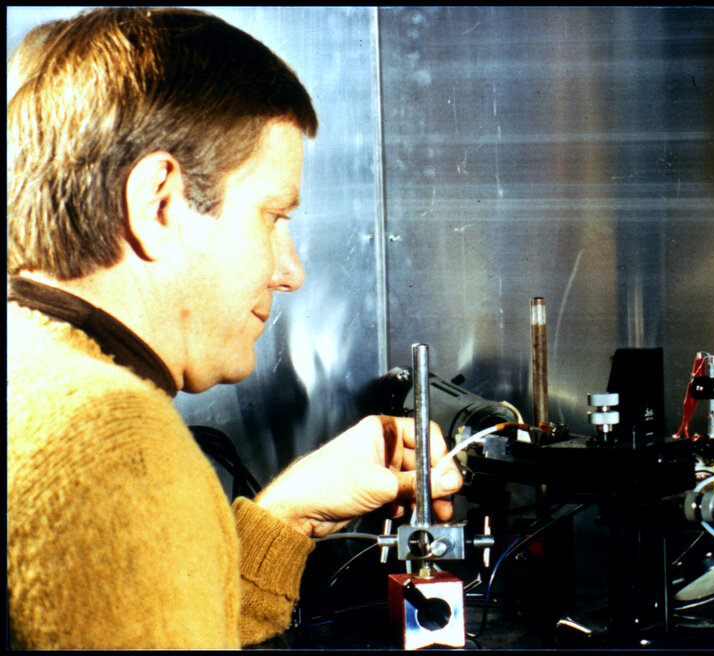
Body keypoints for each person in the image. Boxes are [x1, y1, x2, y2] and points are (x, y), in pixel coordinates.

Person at [6, 7, 463, 649]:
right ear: (158, 204)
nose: (291, 271)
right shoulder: (114, 441)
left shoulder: (27, 369)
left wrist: (288, 516)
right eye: (273, 216)